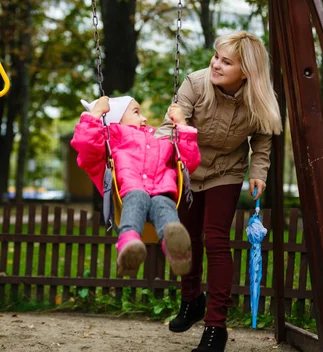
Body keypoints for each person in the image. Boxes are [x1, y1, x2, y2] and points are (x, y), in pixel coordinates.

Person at [156, 31, 282, 352]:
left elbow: (263, 136)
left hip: (226, 170)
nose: (216, 64)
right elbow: (172, 122)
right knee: (185, 236)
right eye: (216, 57)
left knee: (215, 239)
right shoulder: (196, 84)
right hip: (189, 167)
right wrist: (153, 152)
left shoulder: (259, 98)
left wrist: (258, 172)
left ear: (246, 72)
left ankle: (216, 326)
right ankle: (191, 300)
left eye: (226, 62)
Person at [71, 95, 201, 277]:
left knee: (164, 204)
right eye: (136, 112)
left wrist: (182, 124)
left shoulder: (161, 142)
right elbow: (85, 145)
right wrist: (96, 113)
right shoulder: (110, 142)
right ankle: (129, 244)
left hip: (162, 192)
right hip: (129, 193)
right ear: (117, 120)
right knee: (138, 196)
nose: (144, 118)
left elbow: (189, 162)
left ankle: (175, 248)